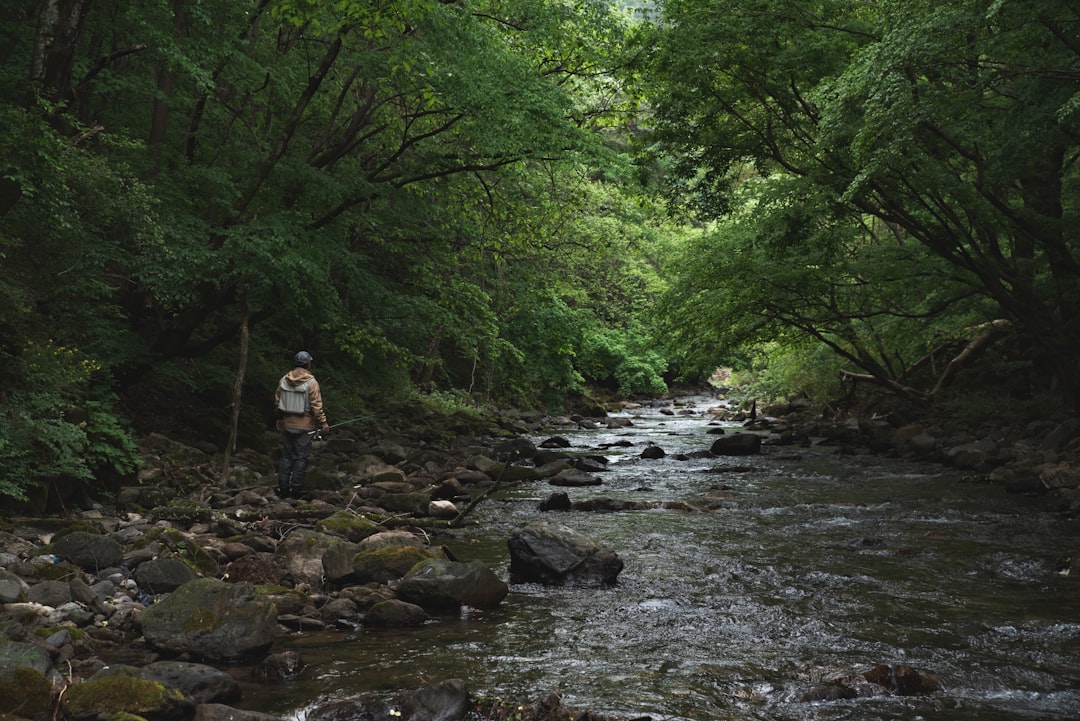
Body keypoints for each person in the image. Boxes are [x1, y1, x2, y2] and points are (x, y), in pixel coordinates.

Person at [274, 350, 329, 499]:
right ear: (308, 364)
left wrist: (279, 419)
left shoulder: (284, 379)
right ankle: (296, 491)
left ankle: (283, 490)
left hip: (287, 424)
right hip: (305, 427)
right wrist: (323, 422)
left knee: (286, 456)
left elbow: (278, 402)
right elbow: (316, 406)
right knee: (301, 458)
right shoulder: (312, 382)